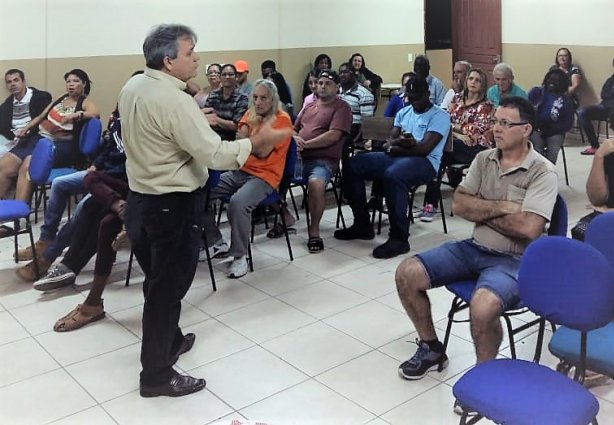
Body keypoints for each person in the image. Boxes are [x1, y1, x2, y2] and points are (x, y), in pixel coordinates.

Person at [117, 24, 290, 398]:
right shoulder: (174, 101)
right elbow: (213, 154)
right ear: (169, 60)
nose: (197, 58)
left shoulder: (133, 86)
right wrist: (254, 143)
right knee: (167, 289)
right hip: (171, 205)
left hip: (141, 200)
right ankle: (157, 376)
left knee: (157, 280)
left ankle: (171, 340)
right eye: (190, 52)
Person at [394, 96, 557, 382]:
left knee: (482, 306)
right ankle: (431, 348)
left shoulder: (542, 171)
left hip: (515, 260)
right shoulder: (484, 159)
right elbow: (459, 205)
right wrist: (503, 207)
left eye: (506, 123)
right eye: (495, 121)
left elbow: (529, 228)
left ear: (526, 129)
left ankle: (484, 378)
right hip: (473, 249)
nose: (496, 128)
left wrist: (480, 207)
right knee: (406, 273)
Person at [334, 75, 450, 259]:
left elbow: (425, 149)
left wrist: (403, 145)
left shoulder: (440, 116)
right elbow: (389, 143)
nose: (413, 101)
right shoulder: (404, 113)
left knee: (393, 175)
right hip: (400, 156)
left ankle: (399, 238)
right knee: (353, 164)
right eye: (410, 97)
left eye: (417, 97)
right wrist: (403, 145)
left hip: (426, 163)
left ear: (427, 94)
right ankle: (362, 224)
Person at [16, 105, 130, 281]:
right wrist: (95, 166)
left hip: (117, 180)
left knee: (81, 209)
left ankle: (48, 257)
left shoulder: (140, 127)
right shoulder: (118, 122)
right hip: (101, 173)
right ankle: (46, 239)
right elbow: (107, 150)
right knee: (59, 184)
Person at [202, 79, 292, 278]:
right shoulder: (250, 113)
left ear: (273, 100)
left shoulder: (282, 119)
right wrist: (250, 141)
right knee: (200, 192)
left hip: (265, 176)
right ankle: (215, 242)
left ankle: (240, 256)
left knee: (238, 203)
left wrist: (246, 141)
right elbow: (238, 139)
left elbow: (262, 151)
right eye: (255, 98)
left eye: (263, 98)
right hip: (240, 171)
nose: (258, 102)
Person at [32, 170, 129, 333]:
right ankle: (122, 209)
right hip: (129, 186)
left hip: (154, 192)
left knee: (105, 222)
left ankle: (91, 301)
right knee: (91, 184)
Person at [0, 69, 99, 209]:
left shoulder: (84, 102)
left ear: (84, 84)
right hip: (38, 138)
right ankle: (2, 209)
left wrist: (77, 115)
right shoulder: (62, 98)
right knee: (4, 164)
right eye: (68, 81)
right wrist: (26, 128)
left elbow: (95, 113)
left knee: (28, 165)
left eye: (75, 81)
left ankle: (17, 216)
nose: (71, 84)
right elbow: (41, 116)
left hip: (59, 146)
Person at [419, 68, 495, 222]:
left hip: (475, 148)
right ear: (466, 81)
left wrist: (453, 128)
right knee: (438, 157)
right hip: (454, 143)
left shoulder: (486, 106)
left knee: (437, 152)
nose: (473, 82)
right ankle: (430, 205)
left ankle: (429, 205)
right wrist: (457, 132)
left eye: (477, 80)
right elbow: (444, 121)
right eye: (471, 79)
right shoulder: (456, 99)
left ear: (483, 85)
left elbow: (474, 130)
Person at [294, 69, 352, 253]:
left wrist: (305, 145)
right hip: (299, 158)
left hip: (323, 161)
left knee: (316, 184)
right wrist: (295, 139)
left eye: (327, 83)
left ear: (337, 87)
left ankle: (314, 232)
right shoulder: (309, 106)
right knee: (265, 174)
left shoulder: (342, 107)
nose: (322, 86)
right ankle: (286, 217)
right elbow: (294, 128)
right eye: (320, 83)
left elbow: (333, 136)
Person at [0, 69, 51, 159]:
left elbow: (43, 122)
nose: (12, 84)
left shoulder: (40, 98)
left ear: (23, 82)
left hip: (33, 139)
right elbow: (3, 127)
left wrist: (24, 136)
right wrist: (13, 136)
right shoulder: (6, 106)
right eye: (9, 82)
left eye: (16, 80)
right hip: (13, 141)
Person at [528, 69, 575, 164]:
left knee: (553, 150)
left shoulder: (566, 101)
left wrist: (552, 130)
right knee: (537, 148)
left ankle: (548, 173)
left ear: (562, 84)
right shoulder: (537, 92)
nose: (552, 82)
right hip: (536, 128)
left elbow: (568, 123)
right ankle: (537, 172)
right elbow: (526, 109)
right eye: (550, 79)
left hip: (555, 132)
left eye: (556, 81)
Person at [577, 58, 614, 156]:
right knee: (582, 112)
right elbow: (604, 94)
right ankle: (595, 146)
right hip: (606, 108)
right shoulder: (611, 80)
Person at [203, 63, 249, 141]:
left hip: (232, 141)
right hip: (211, 140)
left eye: (230, 74)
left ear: (236, 77)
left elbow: (237, 126)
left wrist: (216, 120)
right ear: (220, 77)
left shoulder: (242, 98)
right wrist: (225, 123)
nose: (227, 77)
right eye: (224, 74)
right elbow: (205, 119)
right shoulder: (213, 95)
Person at [338, 62, 375, 153]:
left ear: (353, 73)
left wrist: (356, 140)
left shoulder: (363, 94)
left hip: (354, 127)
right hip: (337, 124)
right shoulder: (337, 91)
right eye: (341, 72)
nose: (342, 75)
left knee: (338, 142)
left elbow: (367, 122)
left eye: (346, 72)